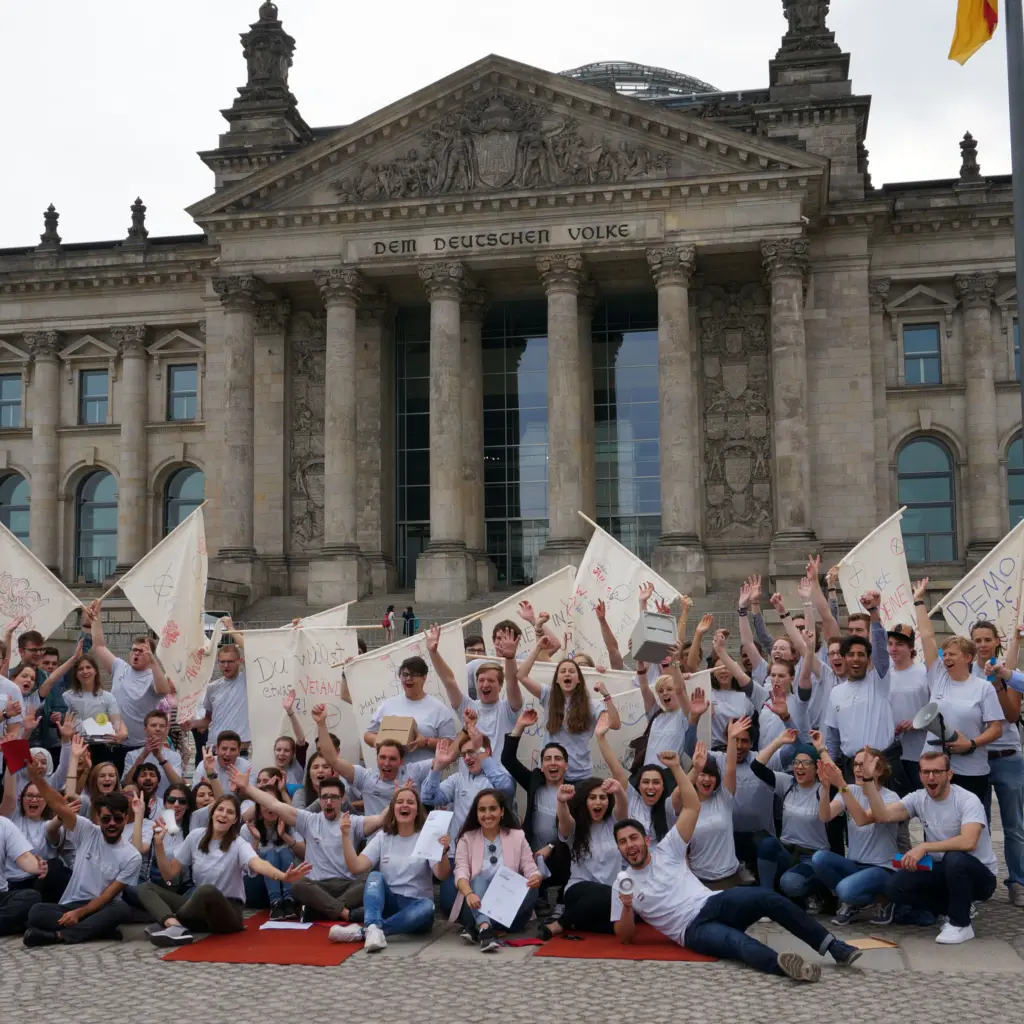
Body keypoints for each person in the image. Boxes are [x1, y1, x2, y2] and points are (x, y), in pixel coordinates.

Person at [610, 755, 862, 981]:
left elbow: (692, 807)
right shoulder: (623, 882)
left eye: (633, 838)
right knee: (735, 942)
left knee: (767, 897)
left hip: (714, 902)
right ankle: (784, 966)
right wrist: (628, 907)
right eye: (622, 842)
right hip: (691, 930)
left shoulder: (667, 849)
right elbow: (624, 935)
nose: (629, 845)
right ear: (619, 849)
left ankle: (833, 946)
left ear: (645, 840)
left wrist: (677, 768)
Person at [138, 793, 312, 946]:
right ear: (212, 813)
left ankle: (170, 922)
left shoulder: (238, 843)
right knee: (145, 887)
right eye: (220, 810)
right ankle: (174, 924)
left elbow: (257, 863)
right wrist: (159, 844)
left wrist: (283, 876)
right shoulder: (195, 836)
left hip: (228, 913)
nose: (223, 815)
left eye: (229, 812)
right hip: (200, 910)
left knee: (207, 891)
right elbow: (168, 874)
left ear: (235, 820)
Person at [862, 749, 998, 944]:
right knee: (895, 887)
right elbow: (883, 815)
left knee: (955, 858)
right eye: (926, 772)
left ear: (949, 775)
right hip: (945, 870)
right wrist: (868, 780)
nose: (931, 777)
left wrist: (924, 847)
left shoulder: (967, 800)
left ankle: (961, 924)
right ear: (920, 775)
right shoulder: (918, 798)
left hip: (980, 877)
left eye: (937, 772)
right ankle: (958, 906)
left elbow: (969, 841)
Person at [21, 763, 147, 945]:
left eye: (118, 819)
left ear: (126, 819)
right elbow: (58, 805)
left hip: (102, 906)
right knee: (36, 912)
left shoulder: (132, 856)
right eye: (106, 819)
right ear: (98, 818)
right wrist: (36, 779)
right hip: (71, 903)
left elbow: (106, 897)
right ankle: (98, 930)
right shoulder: (88, 831)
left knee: (120, 909)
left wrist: (78, 915)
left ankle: (58, 936)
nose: (112, 824)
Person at [233, 769, 379, 922]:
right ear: (319, 799)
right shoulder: (309, 820)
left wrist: (400, 798)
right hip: (317, 886)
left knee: (371, 879)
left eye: (334, 797)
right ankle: (346, 913)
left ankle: (319, 910)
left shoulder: (354, 821)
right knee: (297, 885)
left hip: (347, 885)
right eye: (324, 797)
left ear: (342, 799)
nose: (328, 802)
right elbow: (274, 804)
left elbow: (382, 819)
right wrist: (248, 788)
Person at [912, 578, 1003, 804]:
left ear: (967, 657)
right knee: (935, 825)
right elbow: (927, 637)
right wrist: (918, 602)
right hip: (935, 769)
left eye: (952, 654)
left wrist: (971, 744)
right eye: (945, 654)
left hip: (971, 771)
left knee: (970, 827)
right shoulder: (938, 676)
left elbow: (996, 729)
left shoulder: (983, 688)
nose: (946, 658)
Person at [334, 788, 450, 950]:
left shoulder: (426, 837)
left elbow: (442, 874)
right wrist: (345, 836)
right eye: (400, 802)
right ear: (393, 808)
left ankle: (365, 932)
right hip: (390, 904)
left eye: (410, 802)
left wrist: (443, 852)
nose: (405, 805)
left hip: (416, 907)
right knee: (374, 876)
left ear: (417, 810)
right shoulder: (383, 837)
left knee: (428, 907)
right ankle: (373, 926)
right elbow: (356, 866)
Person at [969, 619, 1024, 906]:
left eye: (986, 639)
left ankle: (1018, 881)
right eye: (976, 640)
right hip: (977, 757)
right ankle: (983, 880)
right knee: (980, 825)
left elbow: (1012, 714)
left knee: (1014, 826)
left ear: (996, 641)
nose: (982, 645)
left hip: (1008, 758)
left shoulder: (1008, 672)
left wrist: (998, 681)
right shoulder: (965, 673)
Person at [811, 750, 899, 925]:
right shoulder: (850, 790)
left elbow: (862, 819)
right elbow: (824, 816)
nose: (858, 769)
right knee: (819, 858)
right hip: (855, 863)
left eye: (863, 765)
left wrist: (841, 785)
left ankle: (884, 899)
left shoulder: (891, 798)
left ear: (879, 771)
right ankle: (854, 902)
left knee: (845, 890)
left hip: (882, 867)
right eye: (856, 765)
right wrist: (826, 787)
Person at [451, 789, 542, 950]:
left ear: (502, 812)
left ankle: (478, 927)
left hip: (510, 914)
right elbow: (461, 872)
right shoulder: (467, 838)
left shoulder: (517, 836)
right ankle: (485, 928)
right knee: (478, 880)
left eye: (493, 809)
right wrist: (469, 893)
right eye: (482, 810)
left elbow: (529, 866)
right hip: (474, 905)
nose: (488, 814)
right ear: (476, 813)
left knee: (531, 888)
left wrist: (535, 876)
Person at [88, 600, 171, 774]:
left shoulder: (153, 676)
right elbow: (99, 646)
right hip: (112, 741)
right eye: (134, 650)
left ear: (150, 656)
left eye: (142, 652)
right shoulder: (120, 667)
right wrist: (96, 618)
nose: (136, 654)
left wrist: (154, 662)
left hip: (138, 746)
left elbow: (163, 690)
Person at [500, 709, 572, 901]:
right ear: (542, 766)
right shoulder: (534, 781)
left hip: (559, 856)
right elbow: (507, 760)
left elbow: (573, 832)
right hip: (530, 856)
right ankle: (537, 896)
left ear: (566, 765)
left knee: (564, 851)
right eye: (548, 759)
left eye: (558, 759)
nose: (552, 763)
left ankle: (561, 895)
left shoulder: (573, 792)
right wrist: (520, 727)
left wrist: (551, 846)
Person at [755, 735, 832, 911]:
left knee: (790, 884)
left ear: (817, 767)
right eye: (796, 762)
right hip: (787, 851)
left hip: (812, 857)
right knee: (766, 843)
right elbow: (757, 766)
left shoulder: (824, 789)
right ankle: (766, 900)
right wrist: (778, 741)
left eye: (806, 763)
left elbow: (835, 774)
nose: (799, 767)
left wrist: (821, 749)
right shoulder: (788, 783)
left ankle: (812, 893)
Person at [311, 705, 431, 815]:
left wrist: (425, 740)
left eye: (392, 759)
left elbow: (447, 756)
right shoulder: (365, 778)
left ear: (401, 761)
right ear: (376, 757)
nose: (387, 763)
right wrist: (321, 724)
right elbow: (333, 760)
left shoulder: (414, 772)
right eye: (382, 757)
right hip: (375, 837)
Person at [516, 657, 621, 782]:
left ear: (578, 680)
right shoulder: (549, 696)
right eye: (563, 671)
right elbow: (522, 676)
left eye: (571, 671)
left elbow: (615, 724)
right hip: (550, 774)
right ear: (557, 680)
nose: (567, 673)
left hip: (580, 776)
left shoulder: (592, 705)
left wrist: (606, 695)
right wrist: (539, 647)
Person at [541, 778, 622, 938]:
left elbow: (623, 809)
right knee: (615, 896)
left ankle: (576, 921)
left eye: (603, 797)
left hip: (610, 895)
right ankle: (560, 924)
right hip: (579, 890)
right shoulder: (575, 826)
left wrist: (619, 791)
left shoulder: (615, 823)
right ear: (585, 801)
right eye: (592, 798)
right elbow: (564, 821)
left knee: (619, 923)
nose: (598, 802)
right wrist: (561, 802)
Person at [432, 624, 522, 763]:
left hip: (498, 780)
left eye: (491, 680)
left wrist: (510, 657)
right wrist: (433, 653)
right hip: (469, 779)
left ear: (500, 685)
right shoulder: (468, 707)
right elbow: (448, 681)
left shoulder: (509, 708)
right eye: (481, 680)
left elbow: (512, 682)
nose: (485, 685)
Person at [595, 719, 684, 842]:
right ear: (638, 785)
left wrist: (676, 766)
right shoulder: (631, 798)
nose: (650, 787)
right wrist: (600, 738)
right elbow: (617, 770)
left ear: (664, 787)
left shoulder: (668, 805)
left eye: (656, 782)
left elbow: (683, 789)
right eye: (646, 782)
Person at [363, 655, 458, 763]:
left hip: (426, 774)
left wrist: (426, 742)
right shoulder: (388, 705)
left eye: (414, 675)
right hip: (391, 774)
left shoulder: (439, 709)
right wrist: (379, 741)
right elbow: (368, 734)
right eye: (405, 675)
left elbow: (452, 745)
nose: (408, 678)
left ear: (424, 678)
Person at [688, 730, 744, 889]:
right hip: (698, 882)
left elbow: (731, 767)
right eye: (702, 774)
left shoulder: (723, 799)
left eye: (711, 775)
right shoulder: (685, 808)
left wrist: (732, 738)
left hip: (729, 878)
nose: (706, 779)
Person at [179, 630, 250, 754]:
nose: (226, 665)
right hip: (214, 747)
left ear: (239, 661)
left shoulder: (246, 681)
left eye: (230, 661)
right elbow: (208, 719)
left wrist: (231, 628)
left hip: (238, 749)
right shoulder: (212, 687)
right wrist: (192, 724)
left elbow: (250, 650)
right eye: (222, 662)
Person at [242, 778, 301, 919]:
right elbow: (246, 867)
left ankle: (288, 900)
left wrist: (284, 836)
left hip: (287, 885)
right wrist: (256, 840)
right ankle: (275, 902)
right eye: (265, 802)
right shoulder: (248, 828)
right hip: (257, 887)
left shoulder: (290, 825)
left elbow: (304, 853)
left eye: (273, 802)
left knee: (284, 851)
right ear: (258, 807)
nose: (270, 807)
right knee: (271, 853)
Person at [886, 623, 930, 794]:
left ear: (911, 647)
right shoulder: (884, 676)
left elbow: (937, 709)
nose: (894, 648)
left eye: (900, 644)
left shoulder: (924, 673)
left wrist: (916, 723)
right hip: (892, 753)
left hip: (920, 752)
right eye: (890, 644)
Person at [0, 813, 46, 934]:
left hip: (2, 896)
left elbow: (24, 857)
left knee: (31, 897)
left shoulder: (4, 824)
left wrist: (38, 868)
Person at [121, 710, 183, 798]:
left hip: (166, 804)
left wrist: (160, 758)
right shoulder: (132, 755)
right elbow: (127, 783)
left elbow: (178, 784)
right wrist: (143, 756)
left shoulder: (174, 756)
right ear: (145, 729)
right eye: (153, 725)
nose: (157, 728)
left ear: (166, 730)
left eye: (162, 726)